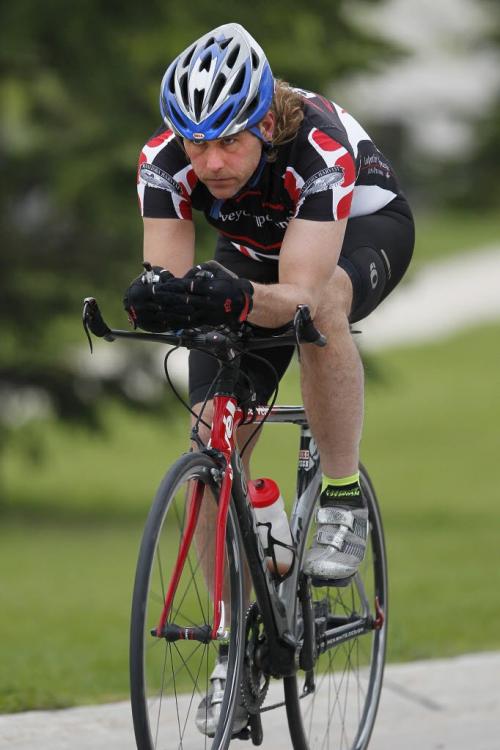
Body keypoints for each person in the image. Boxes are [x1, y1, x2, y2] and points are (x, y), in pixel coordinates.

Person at [124, 22, 414, 735]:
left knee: (325, 312)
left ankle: (341, 496)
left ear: (262, 119)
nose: (212, 161)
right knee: (210, 431)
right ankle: (235, 636)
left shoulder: (314, 146)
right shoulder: (165, 161)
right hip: (253, 247)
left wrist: (236, 299)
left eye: (229, 141)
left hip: (356, 235)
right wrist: (165, 294)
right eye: (198, 143)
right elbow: (175, 271)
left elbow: (302, 295)